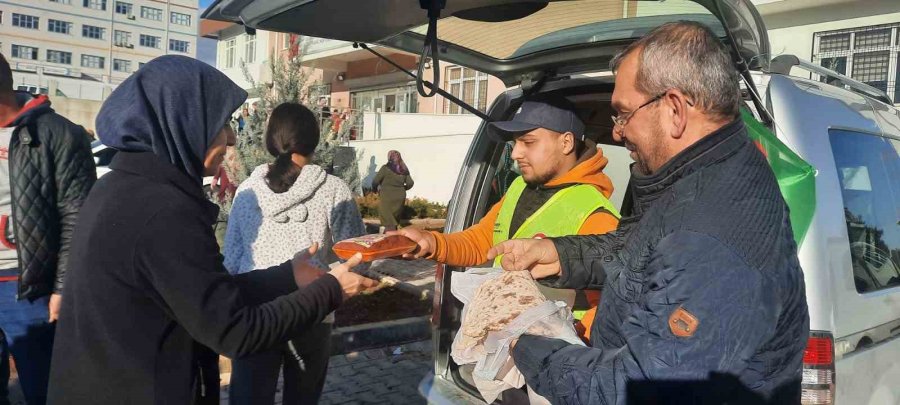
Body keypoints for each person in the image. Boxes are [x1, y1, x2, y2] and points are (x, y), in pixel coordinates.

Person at [487, 22, 809, 404]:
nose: (618, 132)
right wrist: (560, 254)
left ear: (674, 109)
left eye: (623, 114)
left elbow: (639, 389)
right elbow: (645, 249)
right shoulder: (704, 175)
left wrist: (523, 344)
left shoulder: (715, 236)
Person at [46, 55, 377, 404]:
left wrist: (286, 276)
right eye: (222, 123)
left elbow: (200, 292)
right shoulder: (162, 211)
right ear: (184, 121)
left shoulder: (120, 187)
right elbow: (236, 331)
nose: (232, 138)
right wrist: (330, 289)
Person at [396, 98, 619, 339]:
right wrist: (430, 242)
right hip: (503, 342)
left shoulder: (595, 213)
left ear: (566, 142)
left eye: (528, 142)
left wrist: (572, 355)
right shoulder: (518, 188)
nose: (515, 153)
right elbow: (481, 242)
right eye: (514, 143)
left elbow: (607, 303)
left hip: (551, 357)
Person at [223, 102, 367, 405]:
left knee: (248, 398)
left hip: (255, 314)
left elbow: (232, 260)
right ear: (314, 138)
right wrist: (336, 283)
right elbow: (356, 256)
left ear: (271, 139)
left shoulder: (247, 191)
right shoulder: (333, 190)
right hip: (312, 310)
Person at [0, 53, 96, 405]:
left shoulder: (57, 134)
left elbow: (78, 217)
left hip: (29, 289)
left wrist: (63, 287)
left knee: (46, 389)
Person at [372, 150, 413, 232]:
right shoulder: (404, 169)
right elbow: (410, 183)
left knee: (388, 221)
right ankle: (394, 237)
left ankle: (390, 240)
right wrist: (403, 188)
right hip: (400, 196)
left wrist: (375, 190)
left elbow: (375, 181)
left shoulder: (385, 168)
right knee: (394, 219)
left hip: (387, 196)